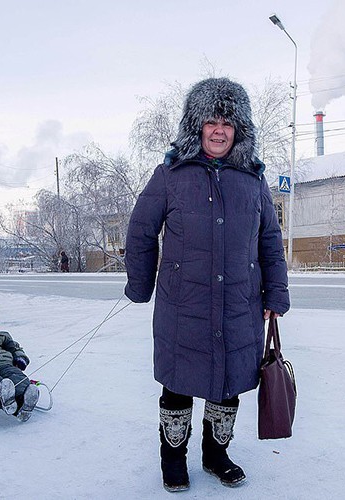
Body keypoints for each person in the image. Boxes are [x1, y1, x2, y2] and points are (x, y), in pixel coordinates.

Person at [124, 77, 290, 492]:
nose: (219, 131)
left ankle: (216, 456)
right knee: (178, 385)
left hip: (239, 302)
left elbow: (269, 239)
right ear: (196, 126)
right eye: (211, 122)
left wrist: (276, 293)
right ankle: (173, 461)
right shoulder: (170, 174)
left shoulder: (253, 181)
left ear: (240, 131)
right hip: (184, 303)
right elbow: (142, 229)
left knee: (227, 384)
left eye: (227, 124)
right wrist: (140, 283)